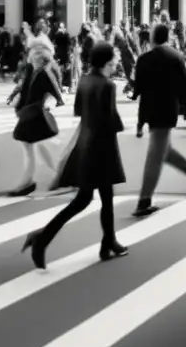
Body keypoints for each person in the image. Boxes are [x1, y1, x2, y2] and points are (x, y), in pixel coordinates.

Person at [23, 41, 128, 269]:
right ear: (108, 61)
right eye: (116, 57)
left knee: (91, 199)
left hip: (86, 145)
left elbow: (81, 113)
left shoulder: (85, 80)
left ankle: (108, 241)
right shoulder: (108, 85)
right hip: (102, 148)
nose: (118, 60)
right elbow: (112, 122)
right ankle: (42, 238)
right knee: (92, 199)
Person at [132, 23, 186, 218]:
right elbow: (183, 85)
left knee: (155, 154)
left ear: (152, 38)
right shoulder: (176, 57)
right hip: (167, 110)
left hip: (149, 109)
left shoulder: (143, 59)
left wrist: (140, 121)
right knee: (161, 150)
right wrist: (185, 109)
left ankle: (144, 200)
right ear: (167, 37)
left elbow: (138, 89)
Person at [8, 37, 64, 196]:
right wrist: (17, 103)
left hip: (35, 115)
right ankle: (58, 175)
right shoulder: (32, 69)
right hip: (28, 114)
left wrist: (46, 104)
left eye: (36, 50)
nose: (32, 53)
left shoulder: (46, 71)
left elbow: (57, 96)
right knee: (37, 147)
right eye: (32, 50)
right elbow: (25, 89)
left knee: (31, 147)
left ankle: (27, 182)